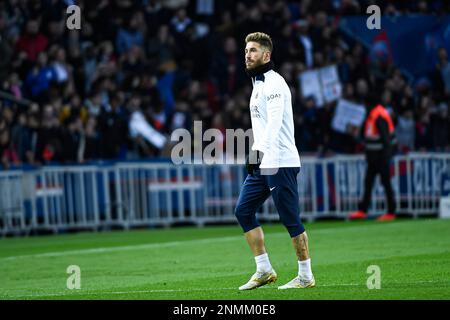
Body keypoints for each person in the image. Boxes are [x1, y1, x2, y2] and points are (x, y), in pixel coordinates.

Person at [234, 32, 315, 291]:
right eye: (246, 50)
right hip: (264, 160)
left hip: (280, 160)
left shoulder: (274, 83)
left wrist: (257, 152)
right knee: (243, 210)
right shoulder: (257, 86)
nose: (248, 54)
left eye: (253, 50)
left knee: (290, 219)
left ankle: (305, 276)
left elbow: (275, 123)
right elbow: (262, 128)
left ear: (266, 55)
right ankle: (264, 269)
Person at [349, 96, 396, 221]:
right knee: (369, 183)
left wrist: (386, 158)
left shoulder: (378, 116)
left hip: (380, 158)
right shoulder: (375, 115)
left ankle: (391, 211)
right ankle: (363, 210)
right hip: (374, 158)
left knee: (385, 183)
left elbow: (386, 139)